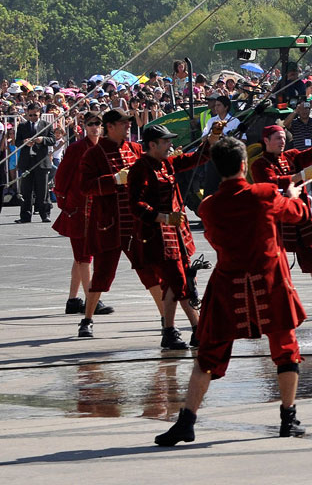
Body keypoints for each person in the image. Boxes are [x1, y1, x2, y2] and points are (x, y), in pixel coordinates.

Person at [154, 137, 312, 446]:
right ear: (243, 165)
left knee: (208, 355)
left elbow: (214, 239)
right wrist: (293, 195)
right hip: (269, 282)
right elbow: (297, 214)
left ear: (217, 166)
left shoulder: (208, 206)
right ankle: (288, 417)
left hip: (229, 285)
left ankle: (187, 420)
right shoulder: (265, 194)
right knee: (285, 348)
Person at [127, 122, 220, 350]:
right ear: (152, 144)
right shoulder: (140, 168)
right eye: (166, 141)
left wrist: (213, 136)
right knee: (181, 282)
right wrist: (162, 217)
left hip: (176, 235)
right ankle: (198, 330)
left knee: (174, 283)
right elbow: (136, 205)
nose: (171, 145)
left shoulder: (167, 163)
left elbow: (198, 158)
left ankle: (169, 331)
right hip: (156, 238)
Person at [76, 109, 163, 338]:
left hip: (136, 225)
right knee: (102, 274)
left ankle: (166, 318)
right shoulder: (94, 154)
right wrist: (114, 180)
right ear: (110, 126)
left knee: (149, 272)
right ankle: (87, 320)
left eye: (128, 123)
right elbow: (85, 187)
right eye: (123, 124)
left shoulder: (134, 149)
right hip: (109, 225)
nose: (127, 127)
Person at [250, 123, 312, 320]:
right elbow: (270, 183)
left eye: (283, 137)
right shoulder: (259, 164)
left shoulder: (291, 156)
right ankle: (272, 305)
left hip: (300, 220)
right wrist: (299, 176)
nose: (282, 141)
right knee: (275, 266)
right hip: (277, 223)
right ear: (266, 140)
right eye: (278, 138)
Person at [52, 111, 114, 317]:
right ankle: (91, 300)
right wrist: (65, 203)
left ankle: (73, 300)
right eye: (90, 124)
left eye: (98, 124)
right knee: (84, 257)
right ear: (84, 126)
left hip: (98, 209)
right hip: (78, 209)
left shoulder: (105, 148)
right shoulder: (76, 149)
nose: (94, 127)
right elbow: (60, 180)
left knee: (81, 258)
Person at [15, 103, 54, 223]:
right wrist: (24, 142)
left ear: (40, 114)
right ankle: (25, 216)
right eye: (30, 115)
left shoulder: (46, 125)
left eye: (35, 115)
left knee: (42, 190)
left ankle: (45, 214)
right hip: (27, 161)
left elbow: (52, 140)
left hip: (41, 162)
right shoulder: (22, 126)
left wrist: (42, 140)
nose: (32, 117)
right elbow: (17, 142)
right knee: (26, 190)